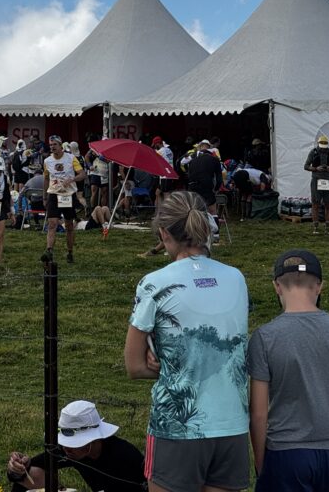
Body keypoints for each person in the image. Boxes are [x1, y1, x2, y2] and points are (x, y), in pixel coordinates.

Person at [124, 190, 250, 492]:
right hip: (232, 422)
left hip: (178, 424)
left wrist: (169, 363)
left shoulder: (155, 282)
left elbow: (134, 365)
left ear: (164, 233)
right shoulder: (236, 277)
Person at [248, 249, 329, 491]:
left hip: (285, 455)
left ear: (277, 287)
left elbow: (258, 413)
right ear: (319, 286)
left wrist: (261, 464)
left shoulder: (264, 337)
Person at [6, 400, 145, 492]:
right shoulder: (70, 451)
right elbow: (33, 468)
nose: (66, 448)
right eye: (64, 443)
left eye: (73, 444)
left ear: (93, 440)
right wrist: (18, 468)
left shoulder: (125, 456)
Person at [44, 135, 85, 264]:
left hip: (68, 194)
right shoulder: (47, 161)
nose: (52, 147)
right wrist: (44, 196)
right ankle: (49, 251)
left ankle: (70, 252)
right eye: (50, 145)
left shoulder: (71, 158)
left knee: (69, 226)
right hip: (54, 194)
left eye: (54, 145)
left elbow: (82, 174)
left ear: (60, 145)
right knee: (52, 223)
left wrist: (72, 179)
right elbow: (46, 178)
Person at [304, 135, 329, 235]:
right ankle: (315, 227)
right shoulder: (313, 152)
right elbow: (306, 166)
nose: (323, 148)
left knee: (328, 204)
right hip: (316, 179)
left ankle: (327, 227)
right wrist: (316, 168)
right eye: (322, 145)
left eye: (325, 145)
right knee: (315, 203)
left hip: (328, 180)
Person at [186, 139, 223, 213]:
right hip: (206, 186)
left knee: (195, 210)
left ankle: (195, 223)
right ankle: (213, 222)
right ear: (210, 149)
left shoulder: (192, 160)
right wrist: (216, 189)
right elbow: (219, 179)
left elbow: (188, 174)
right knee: (212, 210)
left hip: (192, 187)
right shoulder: (215, 159)